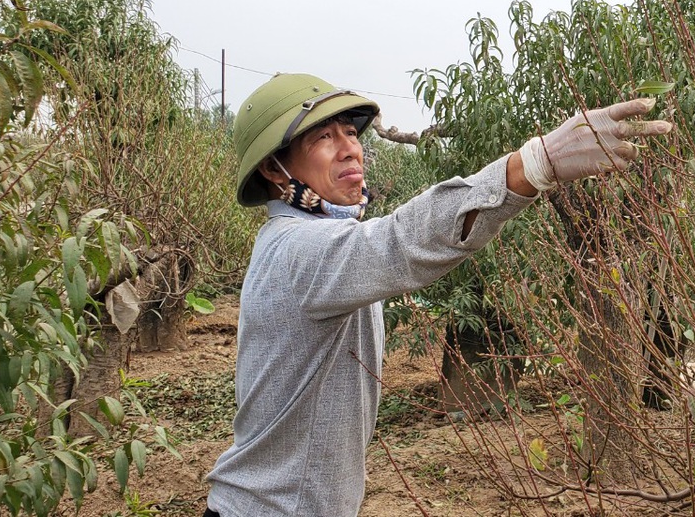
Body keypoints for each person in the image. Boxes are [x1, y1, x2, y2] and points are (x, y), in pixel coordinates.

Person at [204, 72, 671, 516]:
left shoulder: (309, 242)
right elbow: (400, 241)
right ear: (273, 167)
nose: (351, 150)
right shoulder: (298, 250)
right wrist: (532, 164)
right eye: (324, 139)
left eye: (351, 133)